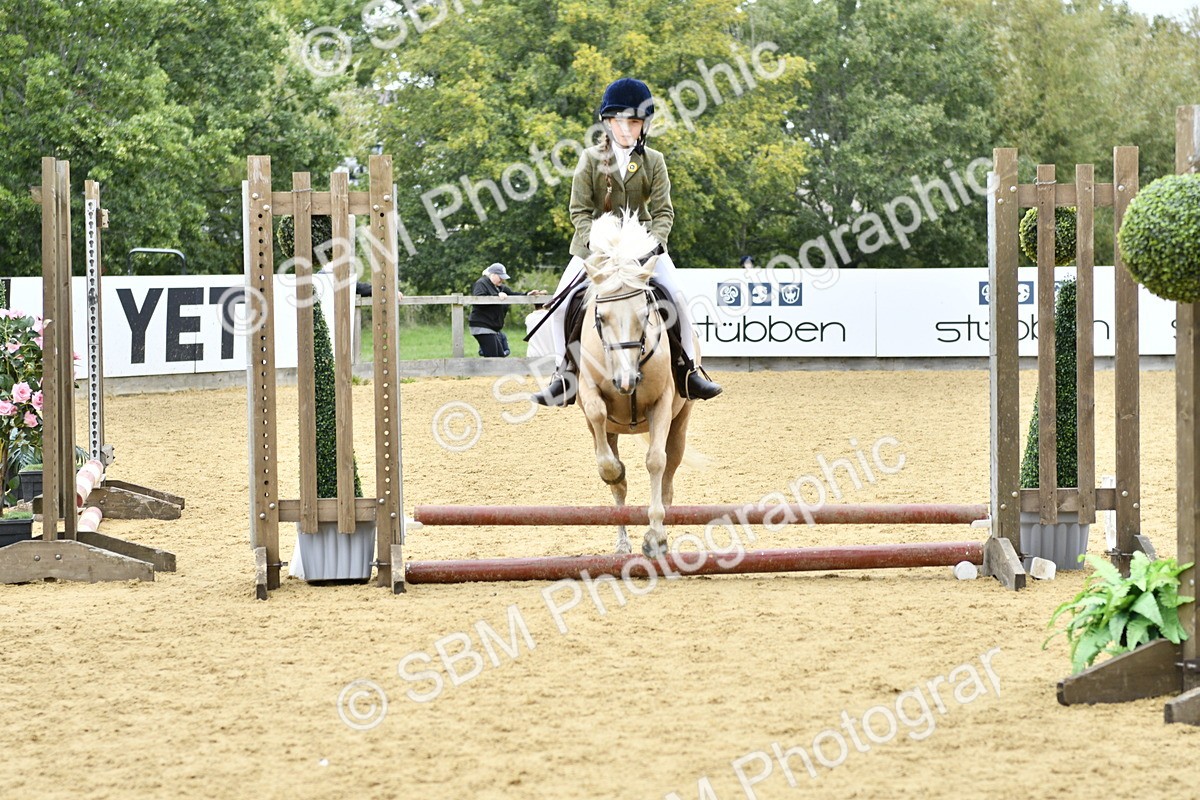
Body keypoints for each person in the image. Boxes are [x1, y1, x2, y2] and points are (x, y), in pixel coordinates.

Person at [530, 77, 722, 406]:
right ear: (607, 122)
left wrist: (654, 245)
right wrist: (597, 243)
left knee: (678, 298)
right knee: (559, 307)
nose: (625, 129)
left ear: (644, 125)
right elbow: (579, 211)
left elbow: (663, 212)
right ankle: (564, 375)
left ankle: (688, 371)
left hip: (642, 248)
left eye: (633, 122)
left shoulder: (653, 160)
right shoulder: (590, 158)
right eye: (618, 121)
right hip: (596, 249)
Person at [469, 263, 544, 357]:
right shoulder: (481, 283)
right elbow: (478, 299)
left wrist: (527, 294)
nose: (502, 279)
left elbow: (513, 295)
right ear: (493, 274)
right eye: (500, 277)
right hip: (482, 326)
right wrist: (496, 296)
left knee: (500, 356)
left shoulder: (500, 287)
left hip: (492, 328)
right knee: (494, 359)